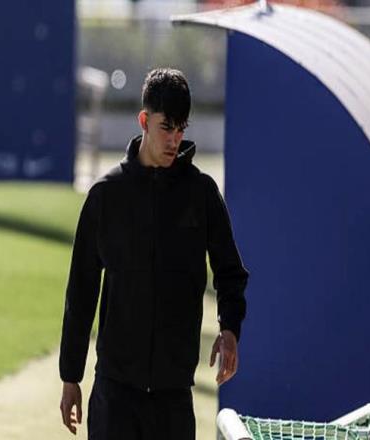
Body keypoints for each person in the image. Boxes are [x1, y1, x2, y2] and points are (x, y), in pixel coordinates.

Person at [59, 67, 249, 439]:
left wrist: (230, 329)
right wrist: (70, 376)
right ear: (144, 121)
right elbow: (81, 291)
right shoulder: (105, 196)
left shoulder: (201, 195)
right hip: (114, 394)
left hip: (173, 398)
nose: (175, 139)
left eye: (181, 129)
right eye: (166, 127)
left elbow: (230, 272)